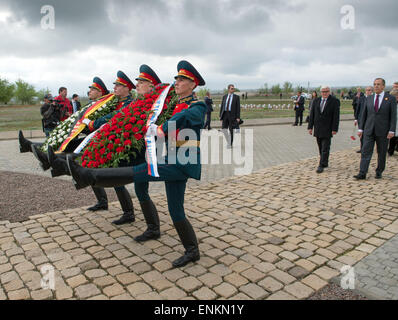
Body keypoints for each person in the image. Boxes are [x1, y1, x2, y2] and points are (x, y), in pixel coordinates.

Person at [67, 60, 206, 268]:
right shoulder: (177, 103)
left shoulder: (198, 106)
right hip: (172, 159)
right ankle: (192, 250)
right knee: (175, 209)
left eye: (182, 79)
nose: (177, 82)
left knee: (140, 172)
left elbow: (187, 117)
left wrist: (162, 127)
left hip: (184, 162)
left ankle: (90, 176)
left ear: (193, 84)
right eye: (176, 78)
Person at [354, 78, 397, 180]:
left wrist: (392, 130)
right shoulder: (369, 98)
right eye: (374, 84)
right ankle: (362, 172)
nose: (376, 86)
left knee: (381, 152)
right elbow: (363, 114)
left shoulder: (390, 98)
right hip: (369, 130)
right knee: (365, 151)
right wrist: (361, 129)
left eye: (378, 84)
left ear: (383, 86)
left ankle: (379, 171)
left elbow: (393, 116)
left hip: (383, 131)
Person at [308, 85, 340, 173]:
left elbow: (336, 116)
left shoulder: (334, 101)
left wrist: (335, 128)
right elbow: (312, 115)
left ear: (329, 92)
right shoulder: (316, 101)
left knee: (325, 147)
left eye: (326, 91)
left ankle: (321, 165)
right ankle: (325, 161)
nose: (325, 93)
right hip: (318, 128)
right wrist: (310, 127)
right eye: (323, 91)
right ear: (320, 92)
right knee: (320, 146)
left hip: (328, 128)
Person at [354, 86, 373, 153]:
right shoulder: (361, 99)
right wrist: (356, 118)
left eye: (370, 90)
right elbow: (357, 109)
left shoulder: (373, 99)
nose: (368, 91)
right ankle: (362, 148)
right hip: (361, 119)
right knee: (361, 134)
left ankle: (368, 148)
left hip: (370, 120)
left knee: (369, 134)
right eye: (367, 90)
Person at [386, 89, 398, 155]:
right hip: (390, 123)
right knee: (391, 138)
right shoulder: (388, 103)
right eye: (395, 96)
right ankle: (390, 151)